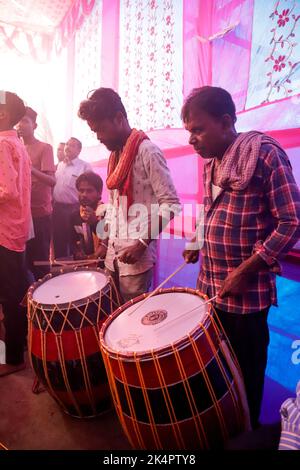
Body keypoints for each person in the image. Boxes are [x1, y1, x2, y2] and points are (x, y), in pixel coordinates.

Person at [182, 86, 300, 429]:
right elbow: (209, 210)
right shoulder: (211, 163)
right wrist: (196, 238)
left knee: (245, 374)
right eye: (189, 131)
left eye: (198, 129)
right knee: (216, 368)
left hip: (247, 299)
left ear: (226, 121)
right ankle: (224, 427)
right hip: (212, 289)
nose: (192, 139)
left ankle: (245, 434)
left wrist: (247, 269)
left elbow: (291, 221)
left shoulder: (263, 154)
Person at [78, 87, 180, 303]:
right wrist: (104, 246)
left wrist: (141, 244)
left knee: (134, 324)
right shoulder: (116, 155)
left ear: (119, 118)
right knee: (115, 317)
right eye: (94, 131)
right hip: (112, 256)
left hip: (136, 260)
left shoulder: (147, 151)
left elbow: (171, 204)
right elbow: (115, 209)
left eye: (101, 129)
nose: (99, 137)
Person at [0, 91, 31, 377]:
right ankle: (17, 348)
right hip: (16, 229)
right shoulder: (16, 143)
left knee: (10, 295)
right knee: (14, 293)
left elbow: (6, 192)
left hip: (4, 231)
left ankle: (12, 359)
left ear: (3, 115)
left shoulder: (2, 143)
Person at [16, 106, 56, 280]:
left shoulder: (44, 148)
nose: (20, 125)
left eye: (25, 121)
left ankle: (45, 301)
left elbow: (52, 181)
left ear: (35, 126)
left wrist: (29, 168)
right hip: (20, 214)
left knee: (40, 261)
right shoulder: (14, 147)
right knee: (22, 261)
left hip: (40, 213)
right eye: (18, 121)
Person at [52, 137, 92, 258]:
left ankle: (77, 270)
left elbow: (91, 189)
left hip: (75, 209)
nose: (67, 147)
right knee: (59, 240)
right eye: (67, 144)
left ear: (79, 150)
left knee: (76, 243)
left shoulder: (84, 166)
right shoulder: (59, 166)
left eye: (72, 145)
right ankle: (61, 269)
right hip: (58, 208)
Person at [70, 171, 106, 264]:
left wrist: (94, 222)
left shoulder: (108, 214)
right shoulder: (74, 216)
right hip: (83, 267)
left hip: (105, 266)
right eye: (81, 190)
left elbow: (109, 242)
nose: (84, 195)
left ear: (99, 193)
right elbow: (72, 242)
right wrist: (77, 252)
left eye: (89, 191)